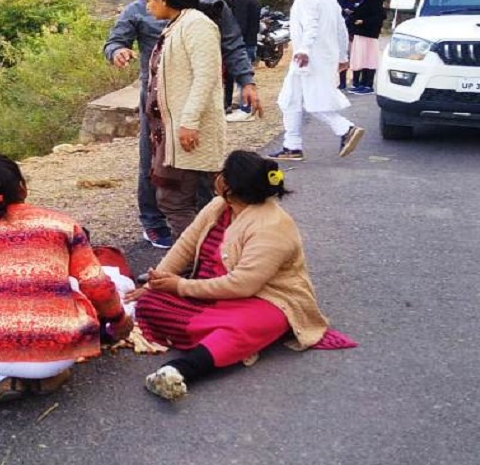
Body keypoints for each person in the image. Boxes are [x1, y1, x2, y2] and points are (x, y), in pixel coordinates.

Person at [128, 150, 331, 400]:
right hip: (210, 291)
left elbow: (243, 285)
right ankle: (225, 336)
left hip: (263, 298)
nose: (217, 177)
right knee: (148, 302)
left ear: (228, 186)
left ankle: (179, 370)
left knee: (252, 324)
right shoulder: (218, 206)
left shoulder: (272, 226)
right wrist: (155, 283)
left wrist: (179, 286)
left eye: (222, 173)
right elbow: (186, 246)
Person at [104, 0, 262, 249]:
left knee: (199, 166)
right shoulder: (138, 8)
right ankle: (155, 223)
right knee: (153, 164)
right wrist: (118, 51)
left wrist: (247, 81)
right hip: (156, 104)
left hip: (195, 104)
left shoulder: (207, 7)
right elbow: (114, 41)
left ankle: (203, 233)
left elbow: (230, 46)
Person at [0, 153, 134, 405]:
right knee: (88, 289)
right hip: (59, 347)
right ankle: (50, 374)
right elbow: (96, 285)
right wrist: (118, 320)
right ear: (22, 187)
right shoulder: (62, 224)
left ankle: (6, 376)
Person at [141, 0, 226, 240]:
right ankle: (203, 260)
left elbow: (206, 76)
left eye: (149, 0)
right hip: (174, 129)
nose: (147, 6)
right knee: (184, 198)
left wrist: (189, 121)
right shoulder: (179, 23)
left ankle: (193, 262)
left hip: (187, 129)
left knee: (175, 199)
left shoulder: (197, 25)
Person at [274, 0, 365, 162]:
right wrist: (342, 57)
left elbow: (311, 26)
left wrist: (305, 50)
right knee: (291, 99)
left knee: (313, 100)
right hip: (320, 57)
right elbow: (341, 27)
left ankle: (346, 129)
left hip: (307, 59)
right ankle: (292, 146)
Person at [223, 0, 261, 122]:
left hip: (243, 43)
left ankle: (245, 109)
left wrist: (233, 42)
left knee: (241, 78)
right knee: (245, 76)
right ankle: (242, 105)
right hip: (252, 41)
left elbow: (239, 25)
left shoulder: (240, 0)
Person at [347, 0, 386, 95]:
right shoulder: (369, 0)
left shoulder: (374, 1)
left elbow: (378, 17)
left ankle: (368, 85)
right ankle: (362, 84)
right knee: (363, 59)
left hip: (368, 35)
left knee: (369, 60)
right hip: (362, 34)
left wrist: (363, 21)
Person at [335, 0, 363, 90]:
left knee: (356, 57)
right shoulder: (339, 2)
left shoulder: (362, 1)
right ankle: (342, 82)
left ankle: (356, 81)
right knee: (343, 57)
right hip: (343, 34)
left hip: (358, 33)